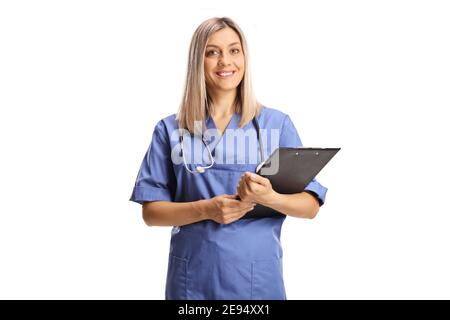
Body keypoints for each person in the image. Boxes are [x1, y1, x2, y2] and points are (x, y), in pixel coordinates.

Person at [130, 17, 328, 300]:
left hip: (257, 284)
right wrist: (205, 209)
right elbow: (151, 213)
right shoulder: (170, 130)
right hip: (192, 284)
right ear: (198, 61)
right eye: (213, 52)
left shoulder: (275, 125)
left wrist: (270, 198)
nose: (225, 61)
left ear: (245, 57)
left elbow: (310, 206)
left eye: (234, 50)